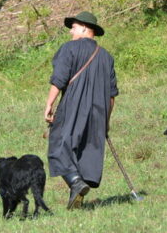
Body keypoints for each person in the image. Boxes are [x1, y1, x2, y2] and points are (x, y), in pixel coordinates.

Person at [44, 11, 119, 209]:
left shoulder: (69, 49)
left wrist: (49, 104)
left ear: (85, 28)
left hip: (73, 106)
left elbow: (59, 79)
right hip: (99, 112)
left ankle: (76, 183)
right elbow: (112, 96)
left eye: (74, 27)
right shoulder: (106, 57)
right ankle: (76, 197)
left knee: (59, 145)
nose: (71, 31)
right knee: (83, 153)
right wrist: (106, 121)